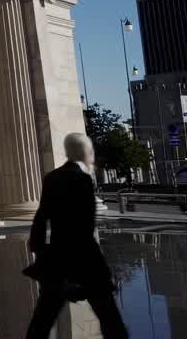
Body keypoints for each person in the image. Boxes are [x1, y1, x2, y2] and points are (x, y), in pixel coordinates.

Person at [23, 133, 129, 339]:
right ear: (83, 152)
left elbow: (41, 215)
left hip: (56, 256)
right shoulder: (82, 180)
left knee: (43, 319)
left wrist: (38, 249)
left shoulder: (52, 177)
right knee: (109, 317)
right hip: (84, 258)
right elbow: (85, 226)